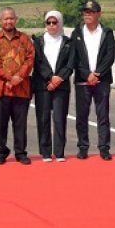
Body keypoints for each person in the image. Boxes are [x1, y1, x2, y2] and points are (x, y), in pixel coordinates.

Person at [0, 7, 34, 165]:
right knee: (1, 123)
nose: (8, 21)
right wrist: (9, 78)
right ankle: (1, 152)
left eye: (11, 18)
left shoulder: (25, 39)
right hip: (0, 89)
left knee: (20, 123)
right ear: (0, 21)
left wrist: (19, 77)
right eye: (5, 19)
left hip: (22, 88)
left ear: (16, 19)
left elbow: (30, 59)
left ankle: (20, 152)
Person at [71, 0, 115, 161]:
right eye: (85, 12)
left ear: (99, 14)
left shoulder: (107, 32)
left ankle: (104, 147)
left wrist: (96, 74)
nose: (87, 15)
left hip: (101, 80)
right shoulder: (76, 33)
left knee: (102, 115)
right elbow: (74, 58)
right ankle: (83, 147)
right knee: (82, 115)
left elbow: (110, 56)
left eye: (91, 12)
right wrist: (86, 74)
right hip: (83, 81)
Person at [31, 11, 73, 162]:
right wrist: (50, 77)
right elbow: (38, 62)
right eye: (48, 23)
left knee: (59, 118)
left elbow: (70, 64)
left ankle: (59, 151)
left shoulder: (68, 42)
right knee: (43, 118)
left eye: (54, 22)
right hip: (43, 85)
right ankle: (46, 151)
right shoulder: (38, 42)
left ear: (60, 23)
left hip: (61, 85)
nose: (51, 26)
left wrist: (58, 78)